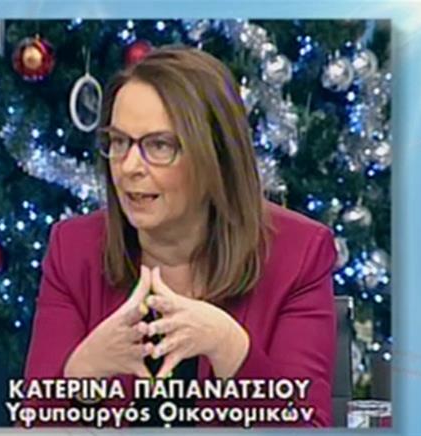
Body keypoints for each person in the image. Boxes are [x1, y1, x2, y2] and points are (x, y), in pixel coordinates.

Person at [24, 47, 336, 427]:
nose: (128, 167)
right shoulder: (74, 250)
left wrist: (228, 346)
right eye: (119, 142)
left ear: (216, 158)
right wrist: (85, 369)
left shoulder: (298, 254)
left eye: (159, 145)